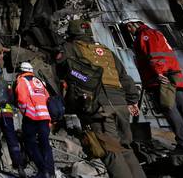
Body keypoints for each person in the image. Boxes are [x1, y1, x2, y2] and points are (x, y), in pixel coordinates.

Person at [57, 20, 146, 178]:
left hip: (99, 106)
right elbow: (124, 78)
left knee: (111, 151)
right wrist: (132, 100)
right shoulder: (105, 50)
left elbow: (63, 67)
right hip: (120, 104)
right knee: (125, 148)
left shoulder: (70, 47)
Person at [124, 19, 183, 156]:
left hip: (161, 79)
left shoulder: (144, 36)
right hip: (172, 76)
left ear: (131, 25)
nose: (129, 31)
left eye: (128, 28)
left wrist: (158, 73)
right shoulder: (156, 33)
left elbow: (155, 55)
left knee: (170, 110)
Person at [14, 61, 56, 178]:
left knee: (30, 143)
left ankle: (43, 171)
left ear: (21, 71)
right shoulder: (39, 82)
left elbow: (22, 100)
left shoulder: (22, 81)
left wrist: (25, 112)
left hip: (32, 117)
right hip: (45, 117)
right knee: (45, 144)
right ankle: (51, 172)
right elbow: (48, 99)